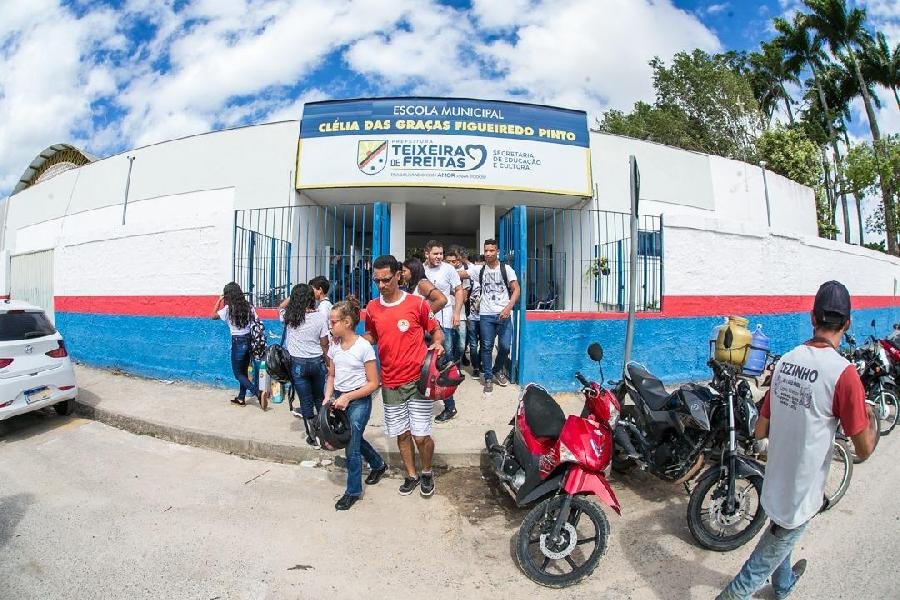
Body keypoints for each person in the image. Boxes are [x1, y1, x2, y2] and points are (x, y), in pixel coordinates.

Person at [715, 281, 877, 600]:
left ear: (812, 317)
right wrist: (869, 418)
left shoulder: (786, 362)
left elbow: (760, 430)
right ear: (847, 323)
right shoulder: (844, 374)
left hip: (774, 484)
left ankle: (783, 583)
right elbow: (864, 449)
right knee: (747, 581)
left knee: (780, 540)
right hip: (799, 497)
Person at [363, 255, 443, 497]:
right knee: (403, 434)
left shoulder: (417, 304)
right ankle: (411, 475)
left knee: (421, 436)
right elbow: (373, 336)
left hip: (418, 380)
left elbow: (436, 330)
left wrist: (438, 343)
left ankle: (426, 472)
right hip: (390, 383)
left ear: (398, 275)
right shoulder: (372, 308)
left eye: (386, 279)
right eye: (377, 280)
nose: (381, 285)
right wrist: (352, 340)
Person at [324, 296, 386, 511]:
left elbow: (374, 383)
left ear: (347, 322)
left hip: (359, 401)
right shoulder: (334, 346)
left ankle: (352, 491)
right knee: (353, 437)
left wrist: (348, 397)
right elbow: (331, 375)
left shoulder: (363, 347)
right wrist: (327, 397)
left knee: (351, 446)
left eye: (333, 322)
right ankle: (378, 464)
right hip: (340, 398)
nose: (330, 325)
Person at [279, 283, 330, 445]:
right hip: (317, 362)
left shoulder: (289, 317)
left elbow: (281, 306)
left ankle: (313, 437)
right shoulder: (320, 317)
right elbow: (324, 343)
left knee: (306, 401)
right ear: (311, 298)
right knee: (320, 399)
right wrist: (328, 363)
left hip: (298, 365)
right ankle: (325, 433)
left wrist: (293, 297)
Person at [423, 240, 465, 422]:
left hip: (444, 321)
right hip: (424, 322)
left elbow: (459, 291)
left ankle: (450, 406)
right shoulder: (421, 270)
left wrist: (456, 312)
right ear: (427, 253)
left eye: (441, 253)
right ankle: (424, 400)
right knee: (423, 363)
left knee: (442, 363)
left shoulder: (449, 269)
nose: (439, 256)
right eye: (435, 253)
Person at [474, 239, 520, 395]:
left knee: (505, 347)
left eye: (491, 250)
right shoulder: (480, 270)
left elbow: (516, 289)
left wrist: (508, 308)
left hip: (503, 314)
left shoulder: (506, 269)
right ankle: (488, 377)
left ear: (497, 252)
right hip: (486, 315)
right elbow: (460, 273)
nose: (488, 253)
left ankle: (497, 369)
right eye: (486, 251)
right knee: (486, 347)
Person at [212, 282, 263, 407]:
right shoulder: (248, 307)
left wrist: (219, 300)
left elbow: (213, 315)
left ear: (228, 295)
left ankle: (257, 392)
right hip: (249, 340)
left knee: (238, 374)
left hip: (237, 342)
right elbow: (256, 321)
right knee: (243, 372)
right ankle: (241, 398)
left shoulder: (229, 309)